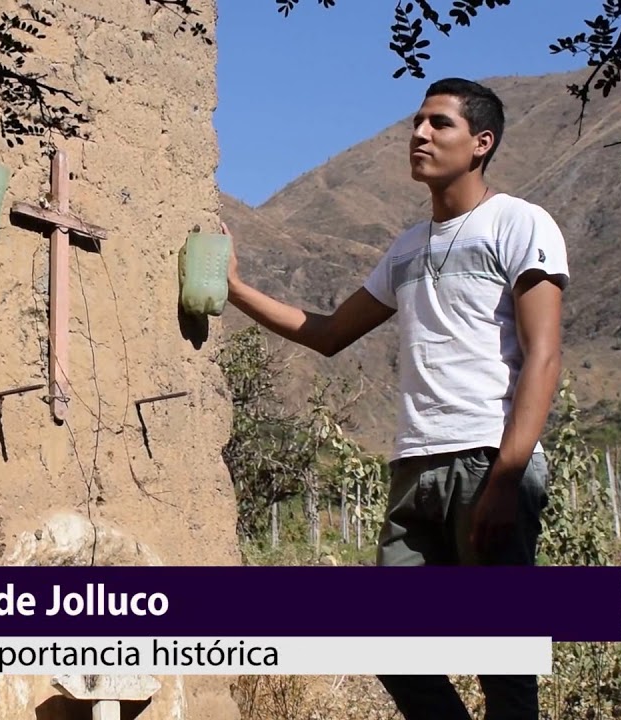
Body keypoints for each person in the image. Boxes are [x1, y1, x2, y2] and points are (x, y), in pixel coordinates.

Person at [222, 77, 569, 720]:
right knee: (390, 640)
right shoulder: (406, 247)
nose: (420, 134)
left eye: (439, 124)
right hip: (416, 465)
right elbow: (329, 334)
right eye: (417, 122)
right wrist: (236, 289)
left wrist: (507, 475)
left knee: (504, 660)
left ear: (481, 143)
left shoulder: (519, 223)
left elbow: (542, 356)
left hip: (487, 458)